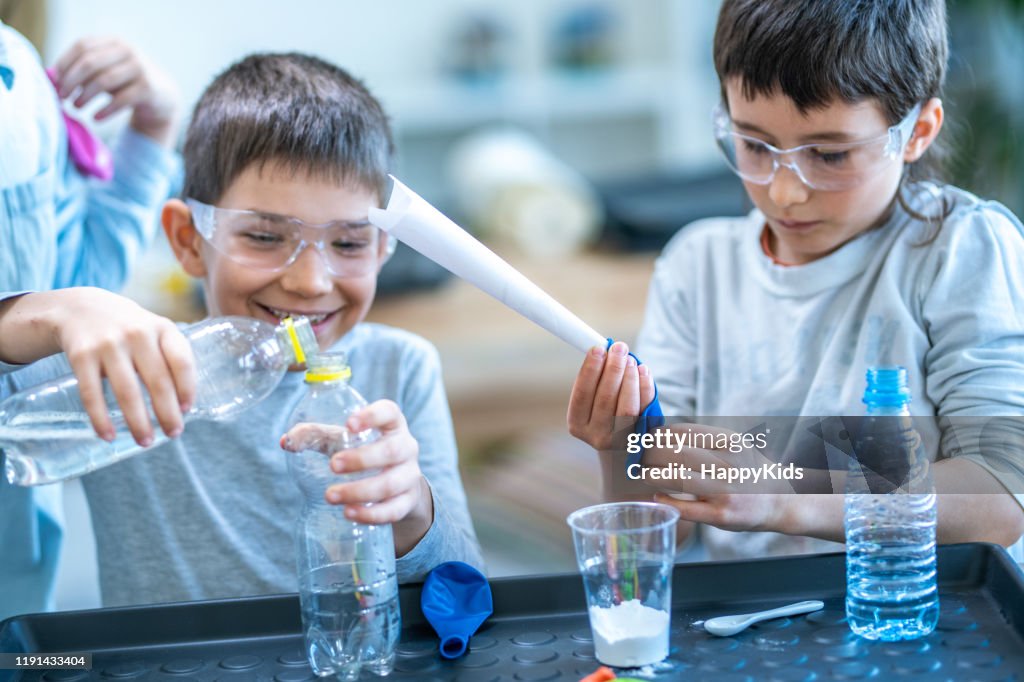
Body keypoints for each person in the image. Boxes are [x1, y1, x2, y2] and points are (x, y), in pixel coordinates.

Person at [0, 52, 483, 609]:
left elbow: (469, 599)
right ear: (187, 240)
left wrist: (413, 509)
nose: (310, 282)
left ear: (382, 249)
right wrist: (52, 313)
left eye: (348, 243)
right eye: (263, 237)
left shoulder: (401, 368)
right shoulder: (142, 373)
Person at [567, 0, 1024, 561]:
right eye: (755, 145)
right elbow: (660, 529)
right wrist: (621, 450)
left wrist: (785, 495)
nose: (785, 192)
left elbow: (1002, 495)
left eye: (830, 155)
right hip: (748, 622)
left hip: (911, 612)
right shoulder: (697, 266)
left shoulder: (960, 248)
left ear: (917, 132)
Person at [1, 21, 180, 620]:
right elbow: (53, 308)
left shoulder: (15, 71)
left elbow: (79, 280)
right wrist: (45, 311)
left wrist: (152, 129)